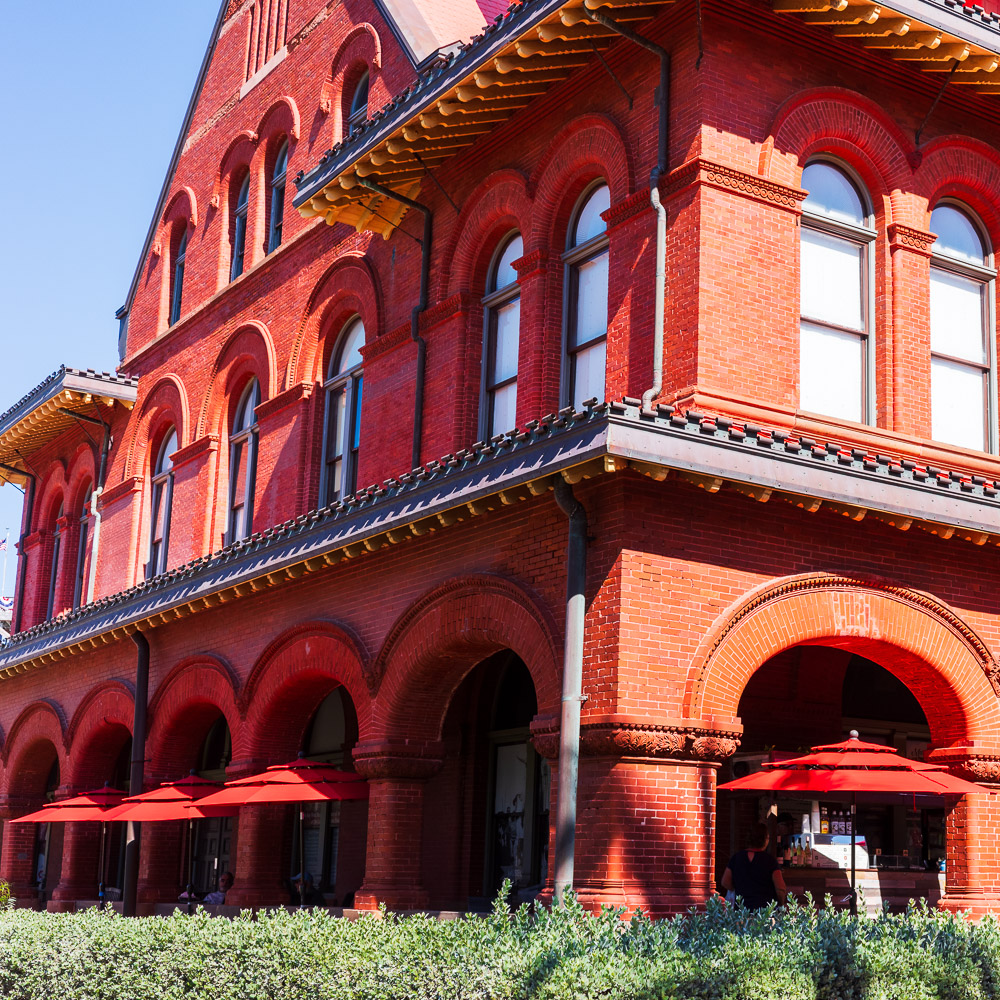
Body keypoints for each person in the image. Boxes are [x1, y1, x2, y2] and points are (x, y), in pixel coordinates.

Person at [721, 822, 788, 910]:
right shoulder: (770, 861)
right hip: (764, 913)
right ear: (765, 839)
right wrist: (781, 904)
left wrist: (739, 887)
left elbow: (725, 882)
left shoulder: (737, 858)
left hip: (742, 911)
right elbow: (780, 888)